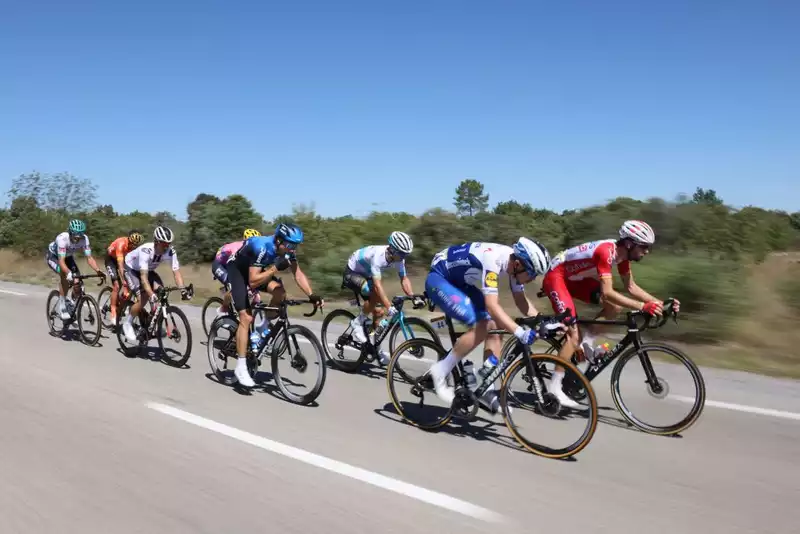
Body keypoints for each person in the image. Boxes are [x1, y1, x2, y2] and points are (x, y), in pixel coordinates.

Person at [541, 220, 680, 408]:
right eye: (644, 247)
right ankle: (554, 389)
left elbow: (631, 287)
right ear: (630, 244)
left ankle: (586, 342)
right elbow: (607, 292)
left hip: (574, 279)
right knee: (573, 335)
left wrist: (660, 304)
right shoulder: (606, 252)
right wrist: (642, 306)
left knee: (614, 308)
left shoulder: (622, 256)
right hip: (556, 277)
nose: (646, 252)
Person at [424, 238, 551, 412]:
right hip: (440, 279)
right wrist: (519, 332)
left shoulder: (513, 266)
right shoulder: (495, 259)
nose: (532, 278)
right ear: (518, 264)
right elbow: (492, 305)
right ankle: (440, 371)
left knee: (496, 329)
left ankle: (486, 388)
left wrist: (543, 320)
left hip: (461, 283)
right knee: (485, 323)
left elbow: (521, 302)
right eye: (531, 273)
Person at [225, 222, 323, 387]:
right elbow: (253, 281)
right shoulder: (261, 246)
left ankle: (263, 328)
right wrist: (274, 268)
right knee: (246, 317)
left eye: (296, 246)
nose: (293, 249)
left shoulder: (287, 251)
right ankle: (241, 367)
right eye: (290, 245)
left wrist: (311, 294)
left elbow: (297, 273)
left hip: (257, 271)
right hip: (238, 271)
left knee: (280, 293)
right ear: (278, 240)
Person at [343, 231, 423, 364]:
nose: (404, 257)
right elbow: (377, 286)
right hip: (353, 272)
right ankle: (358, 322)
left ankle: (377, 350)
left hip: (366, 274)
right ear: (392, 249)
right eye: (402, 254)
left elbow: (404, 279)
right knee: (373, 290)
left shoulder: (399, 259)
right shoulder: (378, 256)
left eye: (406, 254)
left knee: (379, 314)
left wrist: (412, 296)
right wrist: (389, 306)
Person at [120, 225, 190, 342]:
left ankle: (152, 322)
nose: (167, 246)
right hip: (132, 269)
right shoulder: (146, 251)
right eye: (164, 244)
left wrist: (182, 289)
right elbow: (143, 277)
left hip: (149, 270)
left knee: (162, 292)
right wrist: (150, 293)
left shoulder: (170, 252)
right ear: (156, 242)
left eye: (169, 243)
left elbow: (176, 272)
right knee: (144, 297)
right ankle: (127, 323)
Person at [45, 219, 105, 321]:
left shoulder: (84, 239)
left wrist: (98, 270)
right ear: (70, 232)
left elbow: (89, 258)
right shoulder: (62, 239)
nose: (77, 237)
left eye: (80, 235)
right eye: (75, 234)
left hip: (68, 257)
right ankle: (62, 304)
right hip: (54, 257)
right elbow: (61, 261)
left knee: (77, 281)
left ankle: (72, 303)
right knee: (64, 275)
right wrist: (68, 273)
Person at [211, 228, 263, 316]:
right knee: (233, 286)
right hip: (219, 264)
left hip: (231, 264)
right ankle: (223, 309)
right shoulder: (237, 248)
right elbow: (235, 267)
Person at [104, 230, 145, 324]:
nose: (133, 247)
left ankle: (123, 303)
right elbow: (120, 265)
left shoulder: (135, 248)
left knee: (132, 284)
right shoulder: (121, 243)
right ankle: (113, 311)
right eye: (132, 244)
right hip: (111, 260)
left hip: (124, 260)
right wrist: (123, 281)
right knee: (117, 285)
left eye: (136, 245)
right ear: (129, 240)